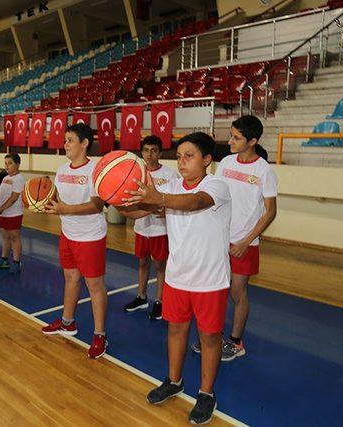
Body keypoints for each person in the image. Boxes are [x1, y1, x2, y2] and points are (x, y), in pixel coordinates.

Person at [121, 132, 231, 425]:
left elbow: (195, 202)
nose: (182, 162)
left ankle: (206, 393)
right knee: (176, 331)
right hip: (177, 277)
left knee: (209, 337)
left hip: (210, 279)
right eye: (179, 155)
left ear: (207, 160)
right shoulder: (169, 186)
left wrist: (160, 197)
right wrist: (113, 196)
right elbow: (141, 211)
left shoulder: (216, 186)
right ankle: (174, 380)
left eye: (189, 155)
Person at [195, 115, 277, 362]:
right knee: (215, 289)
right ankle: (213, 337)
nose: (230, 140)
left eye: (237, 137)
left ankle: (236, 341)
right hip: (219, 238)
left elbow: (271, 211)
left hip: (245, 243)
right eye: (231, 135)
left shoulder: (264, 170)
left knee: (237, 292)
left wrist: (246, 241)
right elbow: (216, 196)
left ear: (252, 141)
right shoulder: (227, 162)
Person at [42, 123, 108, 359]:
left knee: (95, 286)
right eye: (65, 139)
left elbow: (97, 205)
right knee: (70, 277)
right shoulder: (61, 170)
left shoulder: (95, 170)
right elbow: (57, 199)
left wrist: (65, 209)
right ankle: (68, 322)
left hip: (90, 236)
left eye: (70, 140)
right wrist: (43, 200)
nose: (66, 144)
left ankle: (100, 334)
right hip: (67, 232)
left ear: (85, 143)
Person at [121, 136, 179, 320]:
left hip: (160, 229)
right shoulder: (136, 173)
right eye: (146, 150)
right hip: (141, 227)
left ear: (160, 153)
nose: (149, 154)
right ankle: (141, 296)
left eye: (154, 150)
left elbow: (176, 199)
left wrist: (166, 211)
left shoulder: (170, 175)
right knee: (142, 262)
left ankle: (160, 301)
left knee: (160, 266)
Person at [0, 153, 25, 274]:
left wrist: (1, 208)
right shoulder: (5, 178)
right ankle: (4, 260)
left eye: (10, 163)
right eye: (5, 163)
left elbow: (14, 198)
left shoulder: (19, 179)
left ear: (17, 164)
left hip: (13, 213)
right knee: (5, 237)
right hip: (3, 213)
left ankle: (16, 262)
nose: (7, 166)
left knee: (14, 238)